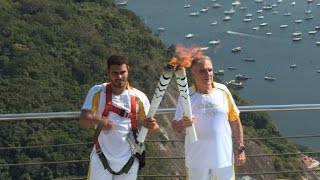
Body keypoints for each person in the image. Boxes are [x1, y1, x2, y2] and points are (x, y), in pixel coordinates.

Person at [80, 55, 159, 180]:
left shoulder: (139, 97)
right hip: (101, 158)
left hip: (129, 160)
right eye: (115, 73)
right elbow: (84, 119)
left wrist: (152, 125)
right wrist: (99, 120)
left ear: (128, 70)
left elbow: (154, 129)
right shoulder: (97, 92)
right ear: (108, 72)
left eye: (123, 72)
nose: (119, 77)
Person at [172, 55, 245, 180]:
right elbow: (175, 126)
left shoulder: (223, 91)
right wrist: (183, 123)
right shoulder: (186, 95)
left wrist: (240, 148)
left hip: (223, 159)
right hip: (196, 161)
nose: (208, 74)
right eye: (202, 71)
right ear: (193, 74)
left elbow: (235, 120)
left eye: (210, 70)